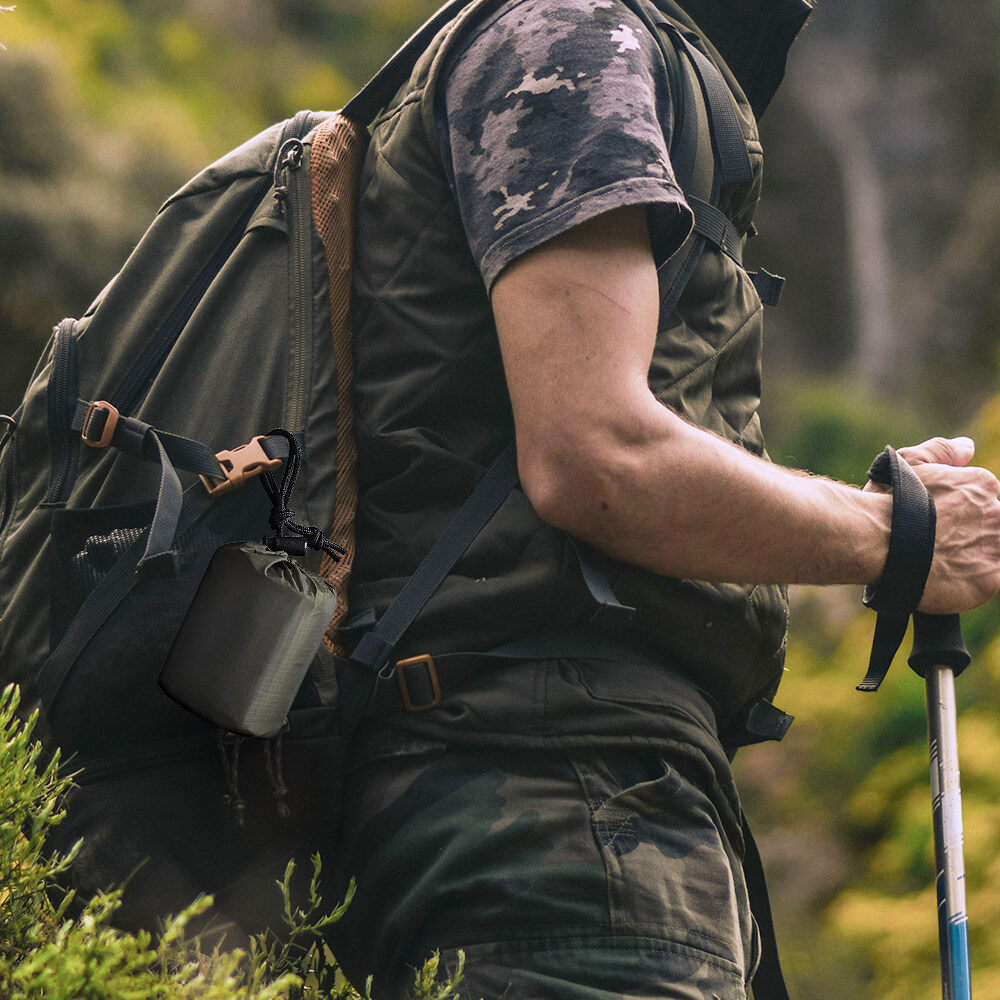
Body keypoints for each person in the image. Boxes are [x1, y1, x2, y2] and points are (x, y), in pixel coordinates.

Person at [324, 0, 1000, 997]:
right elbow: (593, 454)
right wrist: (898, 533)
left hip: (569, 796)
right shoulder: (576, 35)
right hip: (554, 807)